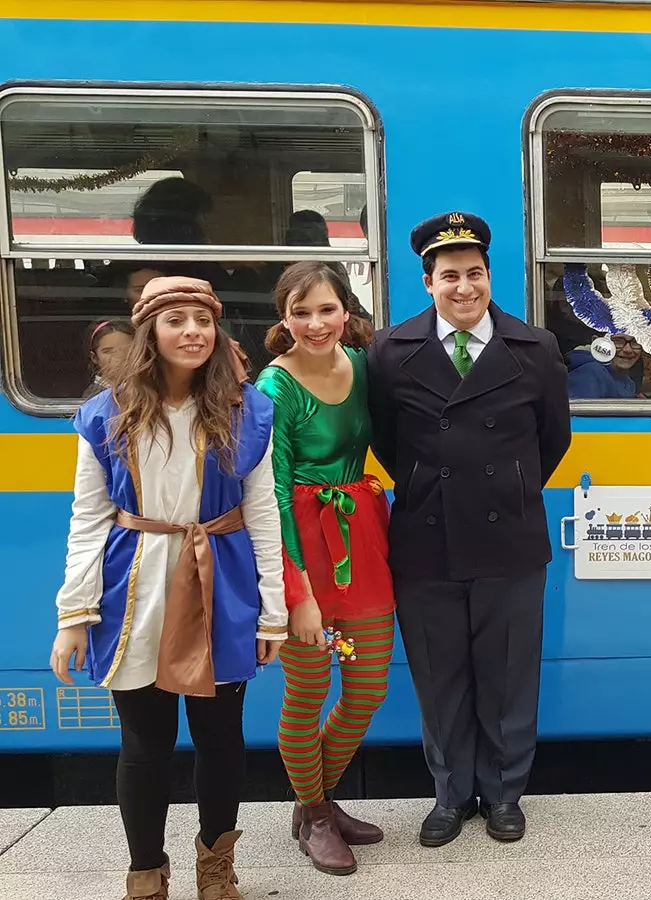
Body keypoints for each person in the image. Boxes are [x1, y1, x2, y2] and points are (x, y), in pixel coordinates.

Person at [49, 276, 288, 900]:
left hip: (223, 583)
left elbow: (263, 513)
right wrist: (73, 612)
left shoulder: (248, 409)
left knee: (220, 738)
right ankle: (146, 875)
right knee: (145, 743)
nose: (192, 332)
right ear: (149, 331)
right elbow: (88, 518)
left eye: (203, 321)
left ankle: (216, 871)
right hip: (137, 589)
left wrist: (273, 609)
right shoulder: (106, 414)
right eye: (175, 320)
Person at [367, 212, 572, 847]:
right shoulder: (390, 353)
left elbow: (553, 441)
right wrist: (433, 486)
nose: (464, 286)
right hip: (426, 538)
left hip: (509, 536)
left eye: (475, 273)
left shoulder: (534, 348)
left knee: (509, 671)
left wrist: (505, 486)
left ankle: (506, 793)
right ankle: (451, 795)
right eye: (449, 274)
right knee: (439, 674)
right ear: (427, 281)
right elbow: (385, 441)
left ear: (489, 277)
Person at [256, 262, 391, 876]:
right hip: (302, 550)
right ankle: (314, 813)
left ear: (347, 312)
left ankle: (315, 801)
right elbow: (273, 490)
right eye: (300, 312)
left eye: (327, 310)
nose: (315, 324)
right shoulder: (275, 387)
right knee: (308, 691)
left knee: (366, 690)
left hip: (360, 537)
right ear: (284, 319)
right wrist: (296, 592)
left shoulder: (363, 367)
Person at [566, 333, 642, 399]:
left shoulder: (628, 382)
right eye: (618, 341)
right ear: (597, 341)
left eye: (635, 342)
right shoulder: (591, 373)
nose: (628, 350)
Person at [83, 317, 135, 399]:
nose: (119, 357)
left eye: (128, 350)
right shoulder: (95, 395)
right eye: (108, 351)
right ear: (95, 357)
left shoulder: (144, 389)